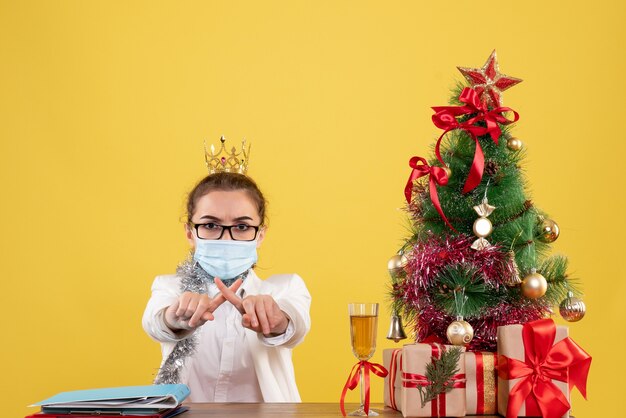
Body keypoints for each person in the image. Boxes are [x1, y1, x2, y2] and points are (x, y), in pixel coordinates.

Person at [142, 163, 311, 403]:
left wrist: (276, 320)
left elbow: (296, 327)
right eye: (210, 225)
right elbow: (154, 323)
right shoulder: (169, 287)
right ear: (190, 232)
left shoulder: (285, 288)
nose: (226, 237)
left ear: (260, 235)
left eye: (242, 226)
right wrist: (176, 317)